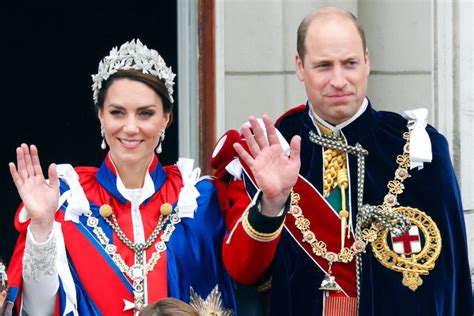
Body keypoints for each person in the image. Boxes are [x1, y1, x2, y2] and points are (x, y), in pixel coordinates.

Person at [212, 7, 473, 316]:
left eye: (349, 63)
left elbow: (450, 279)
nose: (339, 80)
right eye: (323, 66)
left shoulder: (420, 149)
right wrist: (272, 203)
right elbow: (244, 272)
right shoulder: (271, 148)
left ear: (366, 61)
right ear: (300, 66)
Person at [6, 39, 236, 315]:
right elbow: (38, 311)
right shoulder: (68, 205)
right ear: (101, 115)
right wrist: (43, 225)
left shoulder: (199, 203)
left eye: (145, 114)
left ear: (165, 118)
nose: (130, 127)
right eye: (117, 113)